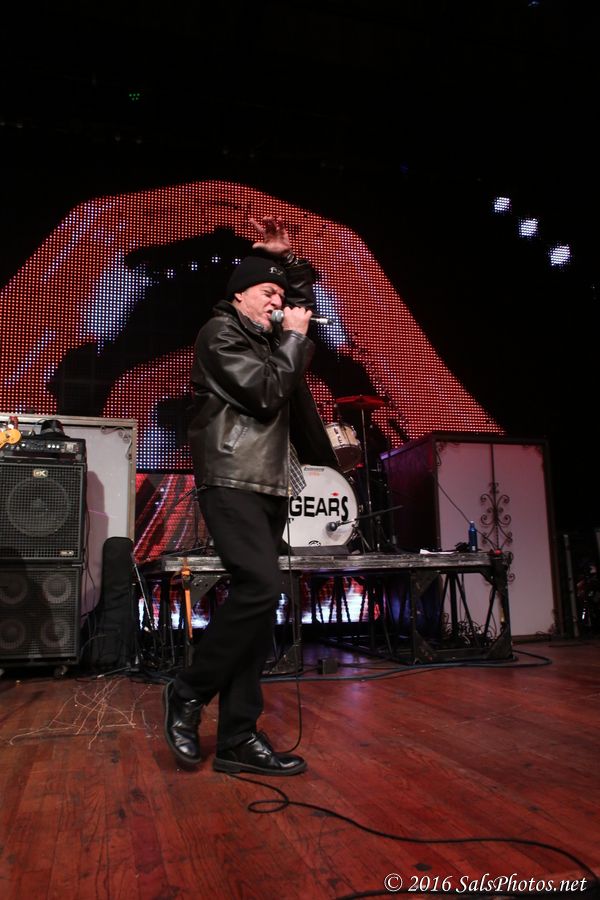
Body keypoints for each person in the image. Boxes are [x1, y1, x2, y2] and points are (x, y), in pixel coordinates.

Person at [163, 216, 338, 774]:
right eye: (267, 293)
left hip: (267, 483)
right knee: (262, 585)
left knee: (259, 610)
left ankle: (238, 737)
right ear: (238, 294)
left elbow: (297, 314)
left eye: (281, 297)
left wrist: (286, 265)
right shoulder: (220, 334)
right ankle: (188, 691)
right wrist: (294, 338)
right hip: (231, 478)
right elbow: (265, 393)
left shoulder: (270, 342)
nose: (278, 303)